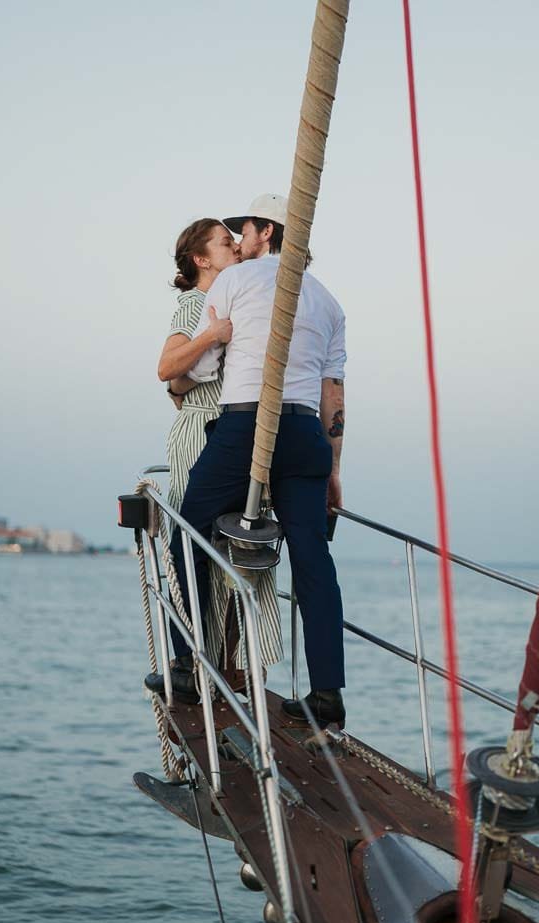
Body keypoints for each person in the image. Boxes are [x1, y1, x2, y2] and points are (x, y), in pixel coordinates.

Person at [168, 194, 346, 728]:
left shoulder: (233, 281)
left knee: (187, 531)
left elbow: (208, 364)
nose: (239, 241)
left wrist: (179, 385)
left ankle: (186, 664)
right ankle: (327, 695)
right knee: (313, 559)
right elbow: (332, 396)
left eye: (242, 230)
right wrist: (333, 468)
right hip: (304, 432)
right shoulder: (329, 302)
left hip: (246, 423)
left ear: (265, 232)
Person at [158, 217, 283, 680]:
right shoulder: (195, 303)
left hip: (234, 435)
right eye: (224, 243)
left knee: (233, 547)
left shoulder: (235, 295)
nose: (234, 247)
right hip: (202, 433)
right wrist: (213, 336)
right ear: (201, 259)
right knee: (193, 545)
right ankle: (192, 659)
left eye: (235, 240)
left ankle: (232, 665)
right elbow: (168, 369)